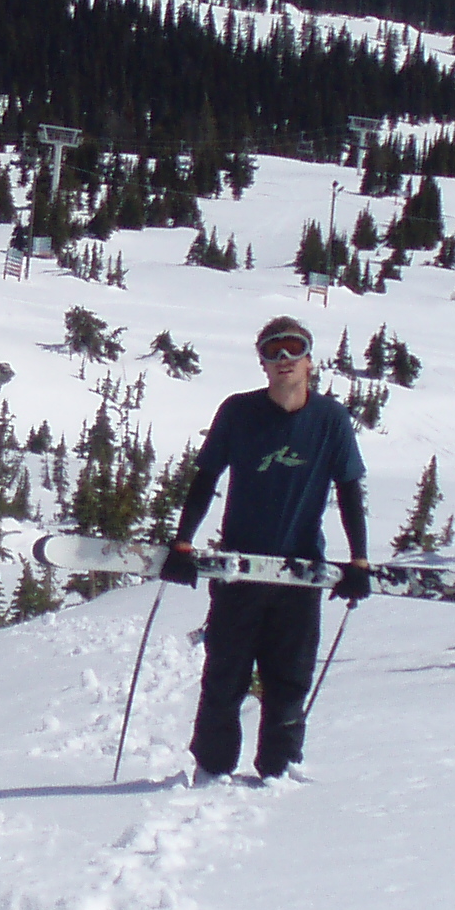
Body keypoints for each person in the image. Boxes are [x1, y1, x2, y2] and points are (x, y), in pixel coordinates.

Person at [162, 315, 369, 784]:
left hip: (300, 574)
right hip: (240, 570)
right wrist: (183, 541)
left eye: (292, 350)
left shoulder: (330, 421)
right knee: (224, 678)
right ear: (261, 363)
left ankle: (280, 771)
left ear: (310, 361)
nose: (283, 360)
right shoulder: (238, 412)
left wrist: (359, 560)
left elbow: (350, 489)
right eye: (272, 352)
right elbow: (205, 478)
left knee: (289, 681)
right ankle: (211, 769)